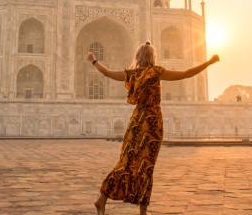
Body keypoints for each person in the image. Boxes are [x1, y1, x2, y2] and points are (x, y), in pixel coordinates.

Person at [90, 41, 219, 215]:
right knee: (147, 166)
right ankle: (142, 212)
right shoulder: (156, 72)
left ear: (137, 57)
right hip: (152, 124)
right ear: (152, 57)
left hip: (136, 122)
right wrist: (208, 63)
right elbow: (187, 74)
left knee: (126, 163)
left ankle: (102, 199)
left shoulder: (131, 74)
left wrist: (94, 61)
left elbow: (107, 73)